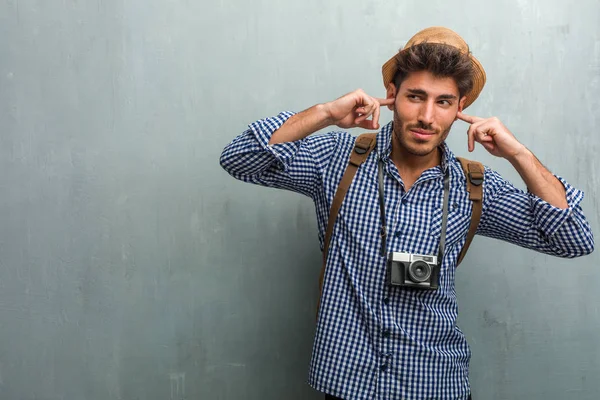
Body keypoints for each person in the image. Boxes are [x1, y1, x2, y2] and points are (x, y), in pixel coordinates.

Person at [219, 27, 594, 400]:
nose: (427, 117)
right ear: (392, 96)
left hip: (433, 384)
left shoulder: (474, 186)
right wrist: (327, 113)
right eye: (416, 96)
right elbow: (239, 159)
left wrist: (518, 154)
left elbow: (574, 239)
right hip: (345, 382)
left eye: (443, 102)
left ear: (460, 109)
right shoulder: (337, 160)